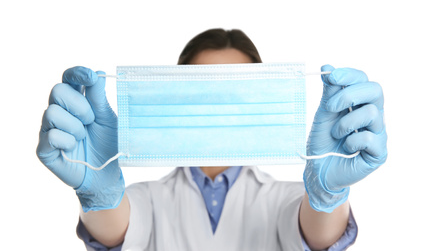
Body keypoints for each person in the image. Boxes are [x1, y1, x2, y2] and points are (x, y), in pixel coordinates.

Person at [36, 29, 387, 250]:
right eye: (203, 92)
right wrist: (98, 194)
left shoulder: (288, 197)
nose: (219, 108)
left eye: (236, 93)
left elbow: (315, 236)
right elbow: (118, 232)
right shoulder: (146, 199)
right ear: (175, 98)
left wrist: (328, 195)